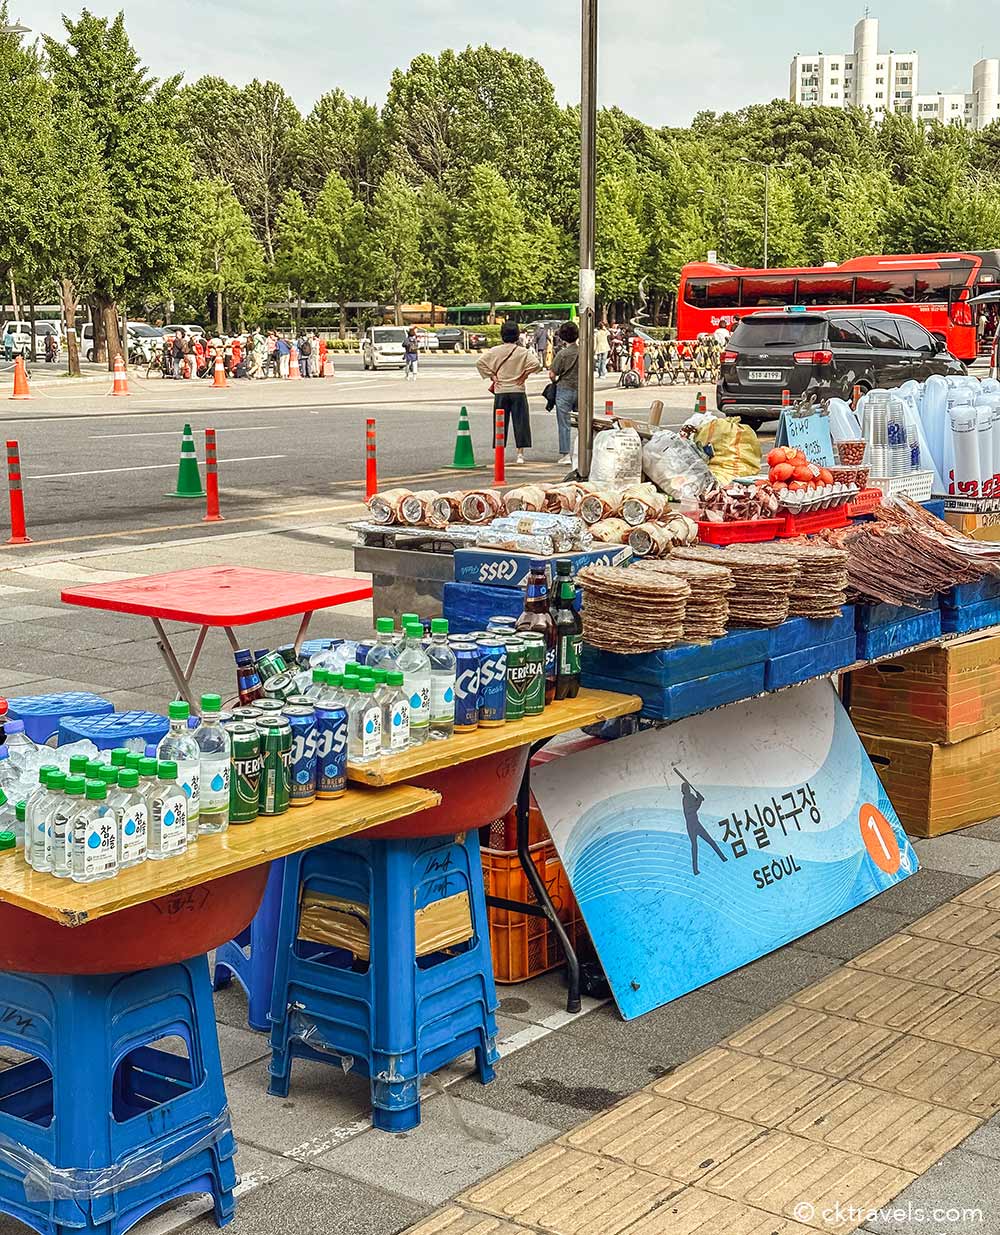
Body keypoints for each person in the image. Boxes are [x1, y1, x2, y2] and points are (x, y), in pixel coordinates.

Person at [477, 320, 541, 465]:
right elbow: (537, 365)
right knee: (521, 422)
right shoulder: (522, 352)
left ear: (502, 335)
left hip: (501, 391)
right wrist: (524, 375)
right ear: (517, 336)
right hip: (518, 390)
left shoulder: (495, 351)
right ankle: (520, 454)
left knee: (500, 423)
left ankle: (500, 453)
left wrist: (492, 376)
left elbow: (480, 363)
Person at [678, 773, 727, 878]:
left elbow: (697, 804)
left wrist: (699, 798)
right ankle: (695, 869)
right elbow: (691, 810)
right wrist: (699, 801)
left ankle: (722, 857)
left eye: (688, 788)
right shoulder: (685, 799)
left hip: (696, 824)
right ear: (684, 790)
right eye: (686, 788)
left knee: (710, 841)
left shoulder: (690, 796)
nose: (688, 790)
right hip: (691, 826)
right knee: (695, 847)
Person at [549, 321, 579, 465]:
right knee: (583, 423)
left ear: (562, 336)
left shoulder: (562, 354)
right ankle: (583, 451)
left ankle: (566, 454)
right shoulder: (583, 351)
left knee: (564, 423)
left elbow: (552, 374)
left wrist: (556, 380)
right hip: (581, 389)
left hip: (564, 389)